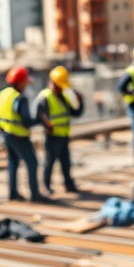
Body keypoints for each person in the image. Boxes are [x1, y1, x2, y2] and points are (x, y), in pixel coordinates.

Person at [0, 66, 49, 202]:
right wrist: (40, 119)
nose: (26, 85)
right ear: (20, 82)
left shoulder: (3, 94)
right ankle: (35, 194)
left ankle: (12, 193)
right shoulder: (20, 99)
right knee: (32, 162)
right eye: (25, 82)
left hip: (6, 133)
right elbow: (26, 121)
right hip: (19, 136)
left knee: (13, 162)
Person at [36, 66, 84, 194]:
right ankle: (46, 186)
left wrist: (80, 102)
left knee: (66, 163)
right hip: (51, 136)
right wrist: (47, 125)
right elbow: (39, 115)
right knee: (49, 162)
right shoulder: (45, 97)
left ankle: (69, 184)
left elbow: (76, 113)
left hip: (63, 135)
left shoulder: (64, 96)